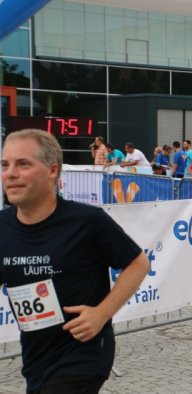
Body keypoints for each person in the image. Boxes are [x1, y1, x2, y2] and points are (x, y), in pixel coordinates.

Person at [0, 129, 150, 393]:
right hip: (36, 357)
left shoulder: (87, 221)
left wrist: (101, 314)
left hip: (83, 355)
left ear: (52, 170)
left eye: (23, 164)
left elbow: (138, 263)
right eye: (4, 165)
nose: (10, 174)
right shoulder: (3, 227)